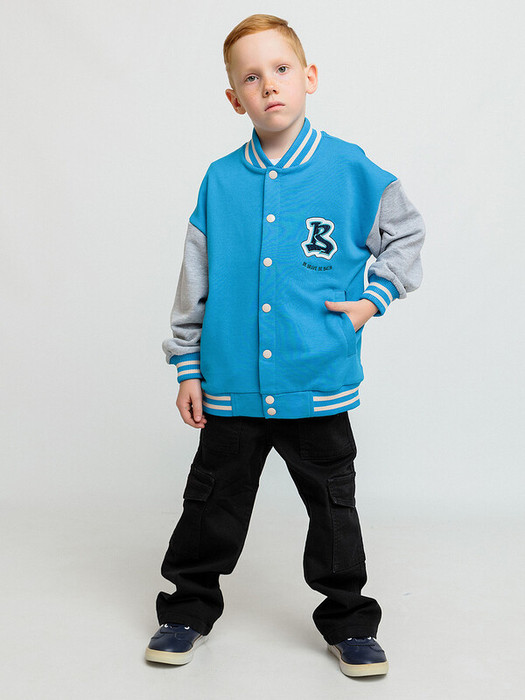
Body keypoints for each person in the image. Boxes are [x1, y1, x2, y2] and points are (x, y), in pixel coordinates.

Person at [145, 13, 426, 678]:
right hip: (230, 384)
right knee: (210, 505)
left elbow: (406, 235)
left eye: (280, 69)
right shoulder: (220, 180)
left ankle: (349, 622)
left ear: (309, 77)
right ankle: (187, 609)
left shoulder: (350, 168)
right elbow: (194, 279)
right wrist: (187, 367)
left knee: (333, 511)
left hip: (317, 380)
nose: (268, 85)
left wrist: (373, 299)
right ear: (233, 97)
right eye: (250, 77)